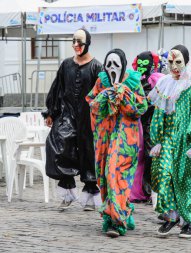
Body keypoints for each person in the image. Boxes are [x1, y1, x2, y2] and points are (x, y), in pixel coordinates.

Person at [148, 45, 191, 238]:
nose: (174, 66)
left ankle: (187, 221)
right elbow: (158, 112)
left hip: (186, 138)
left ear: (186, 62)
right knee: (163, 175)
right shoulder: (164, 83)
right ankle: (172, 216)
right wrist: (156, 139)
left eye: (178, 62)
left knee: (184, 179)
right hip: (167, 137)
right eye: (171, 62)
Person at [86, 48, 148, 237]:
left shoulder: (132, 81)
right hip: (104, 137)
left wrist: (125, 95)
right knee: (104, 177)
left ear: (123, 65)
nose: (112, 68)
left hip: (125, 139)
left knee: (114, 173)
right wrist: (104, 97)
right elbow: (91, 102)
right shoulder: (101, 81)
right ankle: (120, 211)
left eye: (116, 64)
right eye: (109, 64)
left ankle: (116, 221)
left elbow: (141, 107)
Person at [43, 28, 102, 211]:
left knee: (88, 151)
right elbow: (57, 87)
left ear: (88, 43)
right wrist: (51, 112)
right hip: (67, 114)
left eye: (80, 42)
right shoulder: (66, 64)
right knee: (59, 146)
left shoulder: (96, 66)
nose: (76, 45)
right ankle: (68, 188)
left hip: (88, 116)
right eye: (74, 41)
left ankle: (91, 192)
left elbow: (101, 93)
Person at [130, 51, 164, 203]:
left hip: (151, 123)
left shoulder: (157, 80)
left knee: (151, 156)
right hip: (137, 123)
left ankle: (151, 190)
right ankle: (139, 191)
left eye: (146, 64)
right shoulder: (133, 80)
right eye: (140, 64)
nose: (142, 67)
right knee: (137, 156)